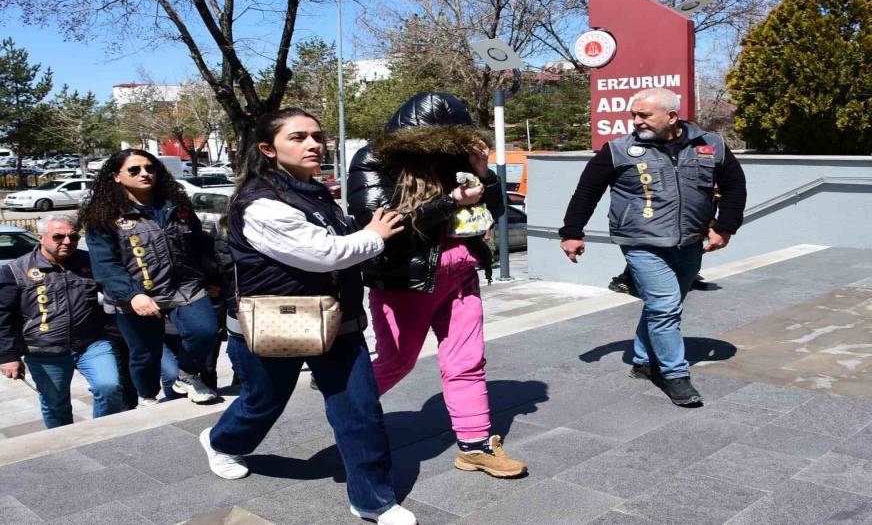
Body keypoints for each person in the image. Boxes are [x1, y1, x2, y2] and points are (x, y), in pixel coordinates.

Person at [201, 108, 416, 525]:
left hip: (336, 321)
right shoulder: (261, 203)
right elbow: (325, 253)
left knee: (359, 409)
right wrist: (374, 236)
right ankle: (221, 442)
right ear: (268, 149)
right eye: (298, 137)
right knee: (263, 403)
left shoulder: (314, 191)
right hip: (273, 322)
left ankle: (373, 501)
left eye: (317, 136)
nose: (314, 144)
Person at [348, 92, 527, 479]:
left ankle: (476, 446)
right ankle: (347, 412)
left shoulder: (456, 159)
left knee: (467, 362)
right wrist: (450, 201)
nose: (443, 148)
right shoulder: (374, 159)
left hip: (461, 276)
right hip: (405, 281)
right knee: (397, 361)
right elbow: (382, 223)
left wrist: (484, 172)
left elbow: (494, 209)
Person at [559, 87, 747, 406]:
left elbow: (734, 186)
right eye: (633, 115)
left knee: (664, 306)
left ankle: (644, 360)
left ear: (671, 116)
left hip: (690, 240)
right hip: (640, 241)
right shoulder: (618, 149)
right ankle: (674, 375)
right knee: (665, 306)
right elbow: (587, 191)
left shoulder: (710, 145)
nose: (636, 121)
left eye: (644, 115)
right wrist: (572, 232)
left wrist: (725, 227)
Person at [81, 150, 220, 406]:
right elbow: (105, 265)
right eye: (134, 170)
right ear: (116, 176)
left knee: (205, 331)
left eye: (150, 168)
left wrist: (212, 276)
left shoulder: (177, 206)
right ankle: (148, 397)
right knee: (146, 354)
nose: (144, 174)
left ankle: (187, 375)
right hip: (136, 294)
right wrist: (133, 295)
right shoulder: (102, 217)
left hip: (183, 287)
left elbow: (200, 245)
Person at [0, 213, 124, 428]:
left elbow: (116, 291)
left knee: (109, 387)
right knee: (56, 404)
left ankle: (100, 434)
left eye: (73, 237)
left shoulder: (90, 262)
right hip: (44, 350)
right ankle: (65, 441)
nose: (67, 242)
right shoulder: (16, 271)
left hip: (91, 344)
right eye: (58, 237)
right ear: (40, 237)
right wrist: (7, 355)